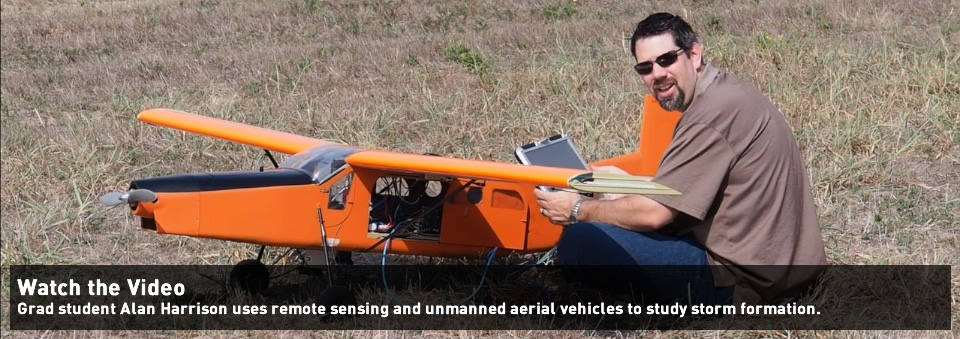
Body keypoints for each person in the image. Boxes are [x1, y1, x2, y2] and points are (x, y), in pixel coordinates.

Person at [534, 12, 827, 306]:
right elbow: (688, 187)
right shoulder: (724, 93)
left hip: (748, 284)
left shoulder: (708, 117)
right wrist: (621, 185)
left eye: (666, 59)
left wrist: (578, 209)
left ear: (694, 54)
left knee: (581, 241)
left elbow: (654, 214)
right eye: (645, 67)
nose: (657, 73)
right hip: (789, 271)